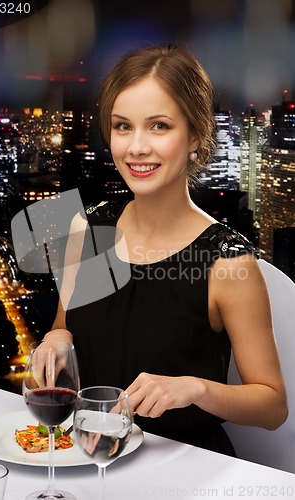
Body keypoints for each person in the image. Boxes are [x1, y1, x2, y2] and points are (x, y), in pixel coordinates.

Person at [39, 44, 288, 455]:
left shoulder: (227, 261)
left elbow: (272, 404)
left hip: (185, 468)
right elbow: (65, 324)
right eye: (123, 126)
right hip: (91, 455)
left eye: (158, 126)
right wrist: (57, 339)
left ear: (194, 135)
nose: (136, 147)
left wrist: (194, 389)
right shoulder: (89, 228)